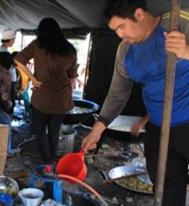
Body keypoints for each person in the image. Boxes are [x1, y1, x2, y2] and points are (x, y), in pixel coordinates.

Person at [81, 1, 189, 205]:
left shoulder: (179, 24)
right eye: (115, 30)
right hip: (158, 129)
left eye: (121, 27)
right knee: (167, 189)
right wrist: (98, 128)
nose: (119, 35)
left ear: (139, 14)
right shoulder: (124, 51)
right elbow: (117, 93)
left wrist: (186, 51)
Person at [15, 17, 77, 163]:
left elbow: (18, 60)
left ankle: (46, 162)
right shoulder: (69, 48)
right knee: (54, 132)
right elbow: (72, 77)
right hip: (61, 97)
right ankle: (51, 161)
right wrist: (70, 94)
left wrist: (32, 79)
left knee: (39, 130)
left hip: (42, 96)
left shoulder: (38, 45)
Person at [0, 28, 18, 114]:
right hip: (7, 83)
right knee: (8, 105)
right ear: (10, 39)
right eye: (14, 39)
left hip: (9, 82)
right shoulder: (3, 52)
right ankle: (7, 124)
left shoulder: (4, 50)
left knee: (9, 104)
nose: (14, 41)